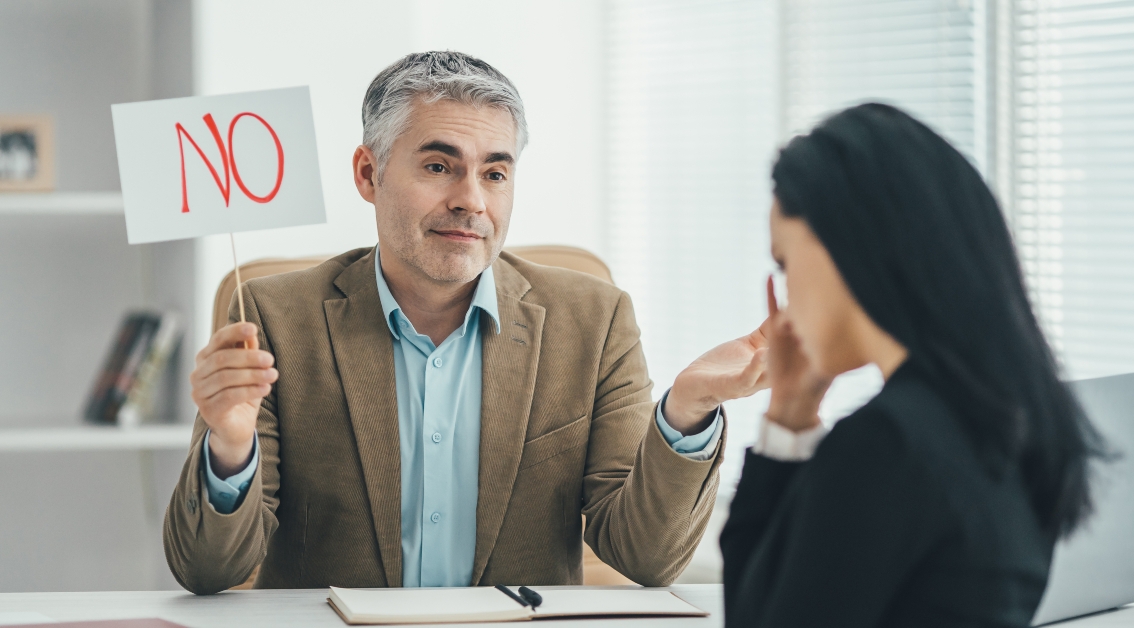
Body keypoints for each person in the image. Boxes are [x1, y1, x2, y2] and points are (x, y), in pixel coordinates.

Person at [165, 51, 769, 595]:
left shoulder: (595, 319)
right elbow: (206, 571)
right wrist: (230, 445)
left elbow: (646, 559)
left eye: (495, 173)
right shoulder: (272, 318)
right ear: (368, 175)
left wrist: (687, 409)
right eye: (438, 167)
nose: (472, 201)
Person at [720, 104, 1105, 627]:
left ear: (844, 239)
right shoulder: (1004, 424)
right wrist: (791, 411)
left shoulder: (886, 444)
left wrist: (780, 427)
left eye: (785, 262)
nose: (784, 301)